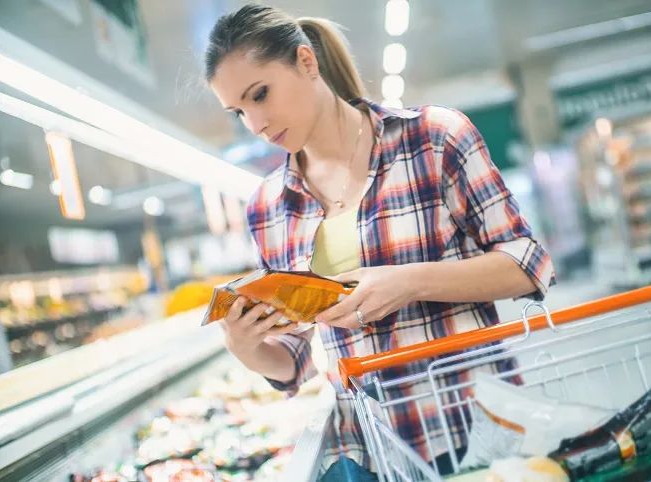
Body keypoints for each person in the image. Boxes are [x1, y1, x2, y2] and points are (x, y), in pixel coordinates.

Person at [204, 3, 555, 480]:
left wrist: (409, 283)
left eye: (260, 94)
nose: (256, 124)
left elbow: (528, 264)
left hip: (477, 425)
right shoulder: (268, 207)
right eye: (238, 111)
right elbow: (298, 355)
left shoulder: (433, 139)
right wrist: (247, 347)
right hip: (374, 449)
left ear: (307, 62)